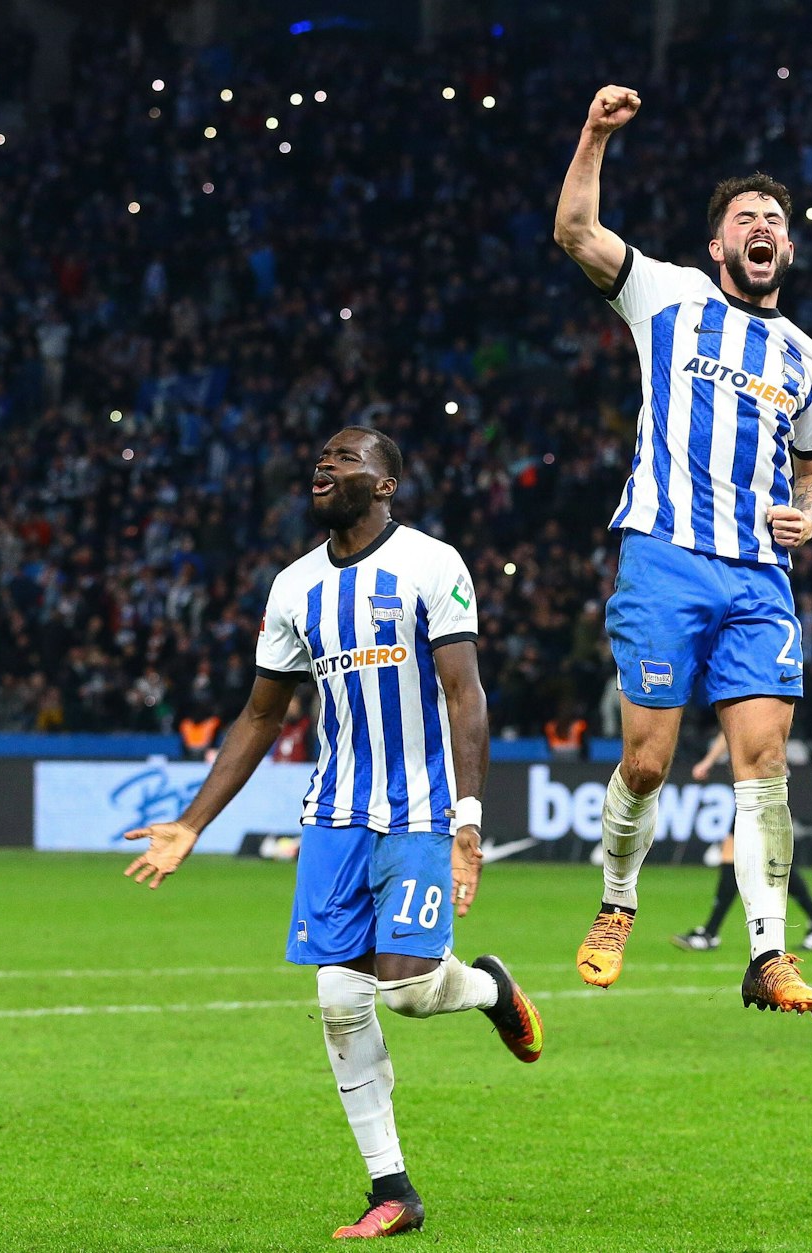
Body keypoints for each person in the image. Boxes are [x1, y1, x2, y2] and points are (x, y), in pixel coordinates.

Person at [119, 428, 543, 1240]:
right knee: (339, 999)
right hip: (335, 812)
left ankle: (489, 986)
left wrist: (468, 817)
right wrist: (191, 823)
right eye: (321, 456)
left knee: (413, 990)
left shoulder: (432, 563)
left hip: (419, 806)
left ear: (385, 484)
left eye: (347, 458)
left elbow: (465, 696)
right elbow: (259, 713)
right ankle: (393, 1188)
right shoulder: (293, 587)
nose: (325, 465)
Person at [555, 84, 812, 1014]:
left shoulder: (807, 358)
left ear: (786, 248)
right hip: (666, 556)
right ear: (719, 245)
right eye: (745, 217)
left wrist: (810, 514)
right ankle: (618, 901)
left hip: (759, 575)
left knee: (765, 764)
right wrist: (595, 135)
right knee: (647, 761)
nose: (763, 226)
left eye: (775, 219)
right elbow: (574, 230)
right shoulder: (666, 295)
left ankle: (766, 954)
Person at [672, 731, 812, 952]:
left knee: (750, 853)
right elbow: (730, 728)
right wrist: (709, 761)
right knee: (754, 854)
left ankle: (710, 932)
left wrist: (710, 761)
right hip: (752, 781)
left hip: (764, 781)